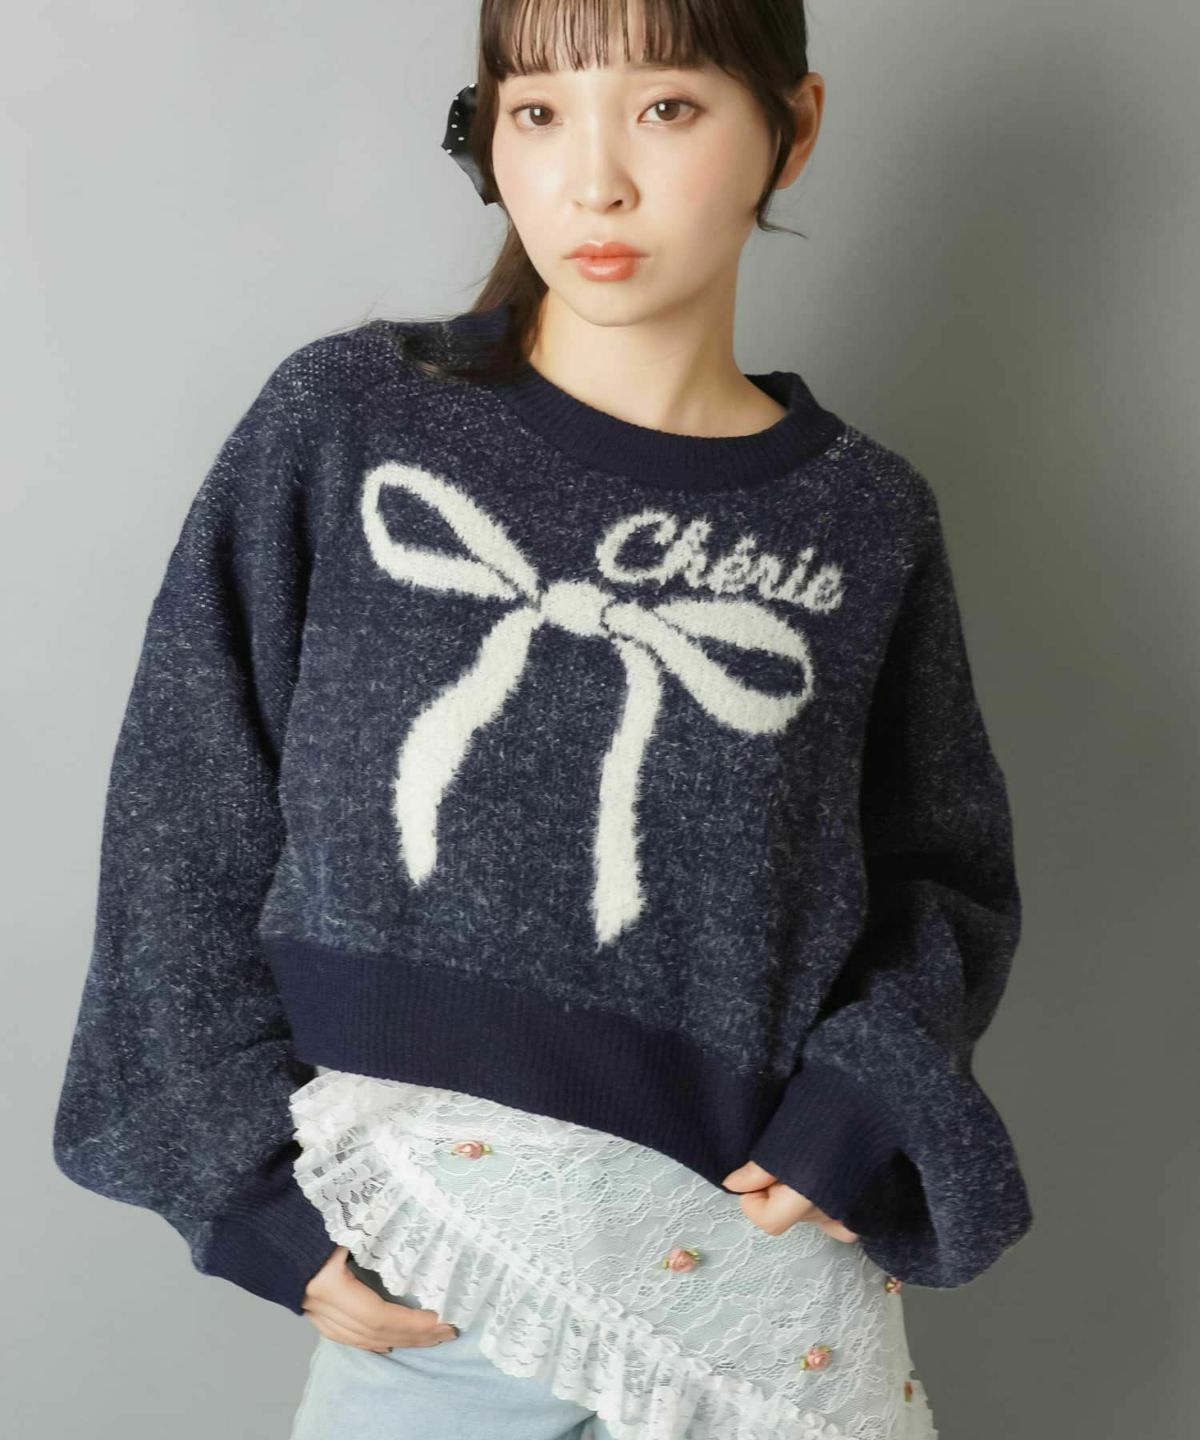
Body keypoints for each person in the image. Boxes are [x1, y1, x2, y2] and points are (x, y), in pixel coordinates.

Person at [52, 2, 1034, 1437]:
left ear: (794, 126)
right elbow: (186, 808)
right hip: (434, 1270)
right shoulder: (353, 423)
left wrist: (859, 1102)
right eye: (539, 113)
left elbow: (942, 881)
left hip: (749, 1282)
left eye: (667, 109)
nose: (596, 181)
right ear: (491, 136)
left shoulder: (862, 519)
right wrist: (243, 1191)